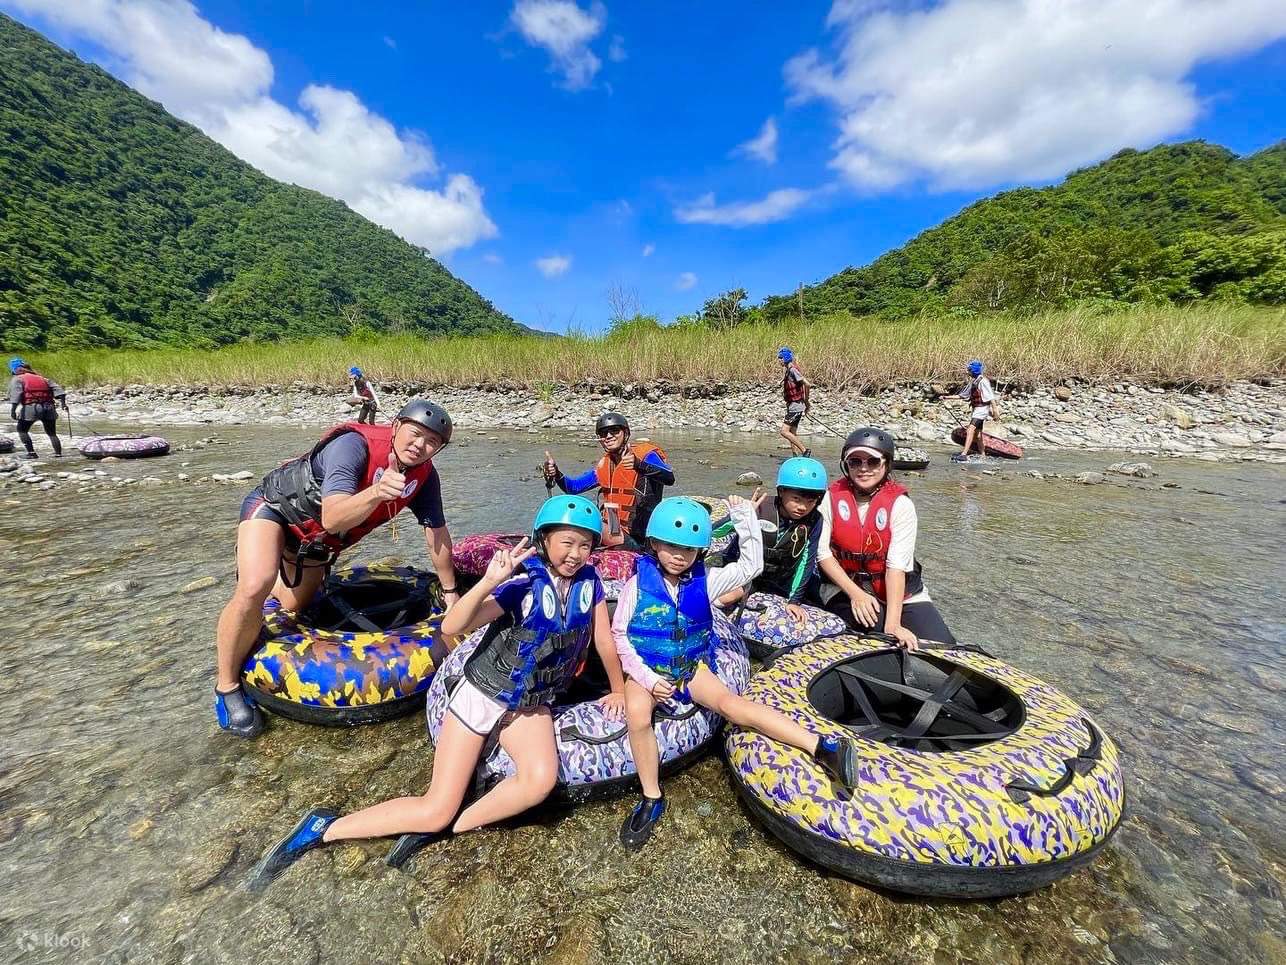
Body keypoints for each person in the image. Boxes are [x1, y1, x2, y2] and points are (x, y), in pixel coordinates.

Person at [248, 496, 626, 887]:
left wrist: (617, 689)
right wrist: (488, 583)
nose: (576, 553)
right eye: (567, 542)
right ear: (544, 540)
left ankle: (455, 827)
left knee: (538, 781)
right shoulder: (522, 585)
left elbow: (602, 638)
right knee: (434, 807)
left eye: (585, 544)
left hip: (531, 704)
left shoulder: (589, 584)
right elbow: (452, 626)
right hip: (483, 696)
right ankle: (326, 827)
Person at [614, 496, 860, 851]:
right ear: (653, 543)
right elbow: (620, 636)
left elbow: (750, 566)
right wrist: (648, 679)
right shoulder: (635, 587)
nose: (679, 556)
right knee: (637, 715)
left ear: (700, 551)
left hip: (689, 667)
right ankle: (652, 797)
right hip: (646, 669)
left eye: (689, 549)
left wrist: (746, 517)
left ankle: (823, 748)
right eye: (671, 546)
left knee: (732, 704)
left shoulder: (708, 580)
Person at [214, 399, 461, 739]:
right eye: (415, 434)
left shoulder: (424, 477)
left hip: (316, 542)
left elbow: (437, 534)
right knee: (255, 585)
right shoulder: (353, 446)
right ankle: (226, 687)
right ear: (395, 426)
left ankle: (267, 590)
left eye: (433, 442)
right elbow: (333, 517)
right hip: (277, 511)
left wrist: (450, 592)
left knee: (293, 608)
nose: (421, 445)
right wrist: (376, 492)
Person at [815, 427, 956, 649]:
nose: (863, 468)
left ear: (886, 464)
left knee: (943, 646)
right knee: (881, 639)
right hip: (845, 587)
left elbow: (896, 566)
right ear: (846, 464)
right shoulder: (830, 499)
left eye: (872, 462)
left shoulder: (901, 505)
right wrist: (857, 595)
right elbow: (822, 554)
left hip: (898, 589)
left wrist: (894, 623)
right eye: (855, 462)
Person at [714, 457, 828, 623]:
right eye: (796, 499)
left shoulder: (814, 520)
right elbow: (714, 533)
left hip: (781, 578)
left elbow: (806, 561)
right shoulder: (760, 507)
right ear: (781, 491)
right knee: (731, 595)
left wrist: (795, 600)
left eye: (810, 501)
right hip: (747, 574)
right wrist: (741, 515)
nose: (802, 507)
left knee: (820, 598)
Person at [542, 412, 675, 549]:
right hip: (615, 528)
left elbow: (669, 478)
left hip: (640, 536)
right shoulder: (605, 465)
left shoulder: (645, 455)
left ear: (626, 433)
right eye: (604, 433)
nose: (609, 436)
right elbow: (573, 488)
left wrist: (639, 465)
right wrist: (556, 473)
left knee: (581, 524)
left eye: (615, 431)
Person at [7, 358, 65, 459]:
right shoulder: (42, 378)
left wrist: (13, 411)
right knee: (52, 433)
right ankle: (58, 453)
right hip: (49, 407)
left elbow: (15, 396)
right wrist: (63, 404)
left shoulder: (18, 379)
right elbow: (60, 391)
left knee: (22, 430)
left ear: (14, 370)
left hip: (31, 407)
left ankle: (32, 453)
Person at [953, 360, 996, 462]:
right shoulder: (974, 381)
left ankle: (964, 454)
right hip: (976, 409)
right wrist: (946, 397)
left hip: (982, 409)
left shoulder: (983, 381)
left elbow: (990, 397)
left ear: (974, 371)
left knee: (970, 429)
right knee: (977, 434)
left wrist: (995, 410)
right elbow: (963, 395)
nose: (968, 372)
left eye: (969, 370)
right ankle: (982, 454)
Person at [777, 347, 811, 458]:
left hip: (796, 406)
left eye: (781, 358)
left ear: (786, 358)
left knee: (784, 431)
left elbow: (807, 384)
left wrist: (806, 402)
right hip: (793, 406)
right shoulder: (788, 370)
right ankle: (795, 456)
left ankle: (805, 451)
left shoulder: (792, 370)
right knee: (792, 433)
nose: (779, 360)